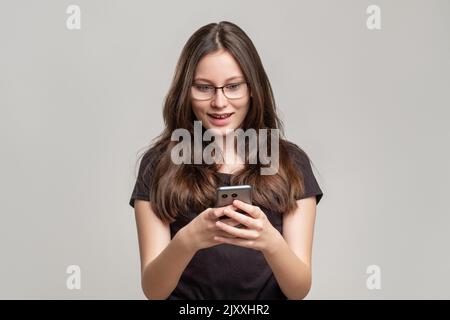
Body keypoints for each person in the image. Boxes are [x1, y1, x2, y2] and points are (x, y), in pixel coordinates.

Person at [129, 21, 323, 300]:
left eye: (233, 86)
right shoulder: (158, 165)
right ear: (187, 91)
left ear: (252, 89)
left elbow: (298, 289)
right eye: (204, 88)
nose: (219, 102)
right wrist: (188, 240)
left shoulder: (291, 163)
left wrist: (270, 242)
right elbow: (154, 290)